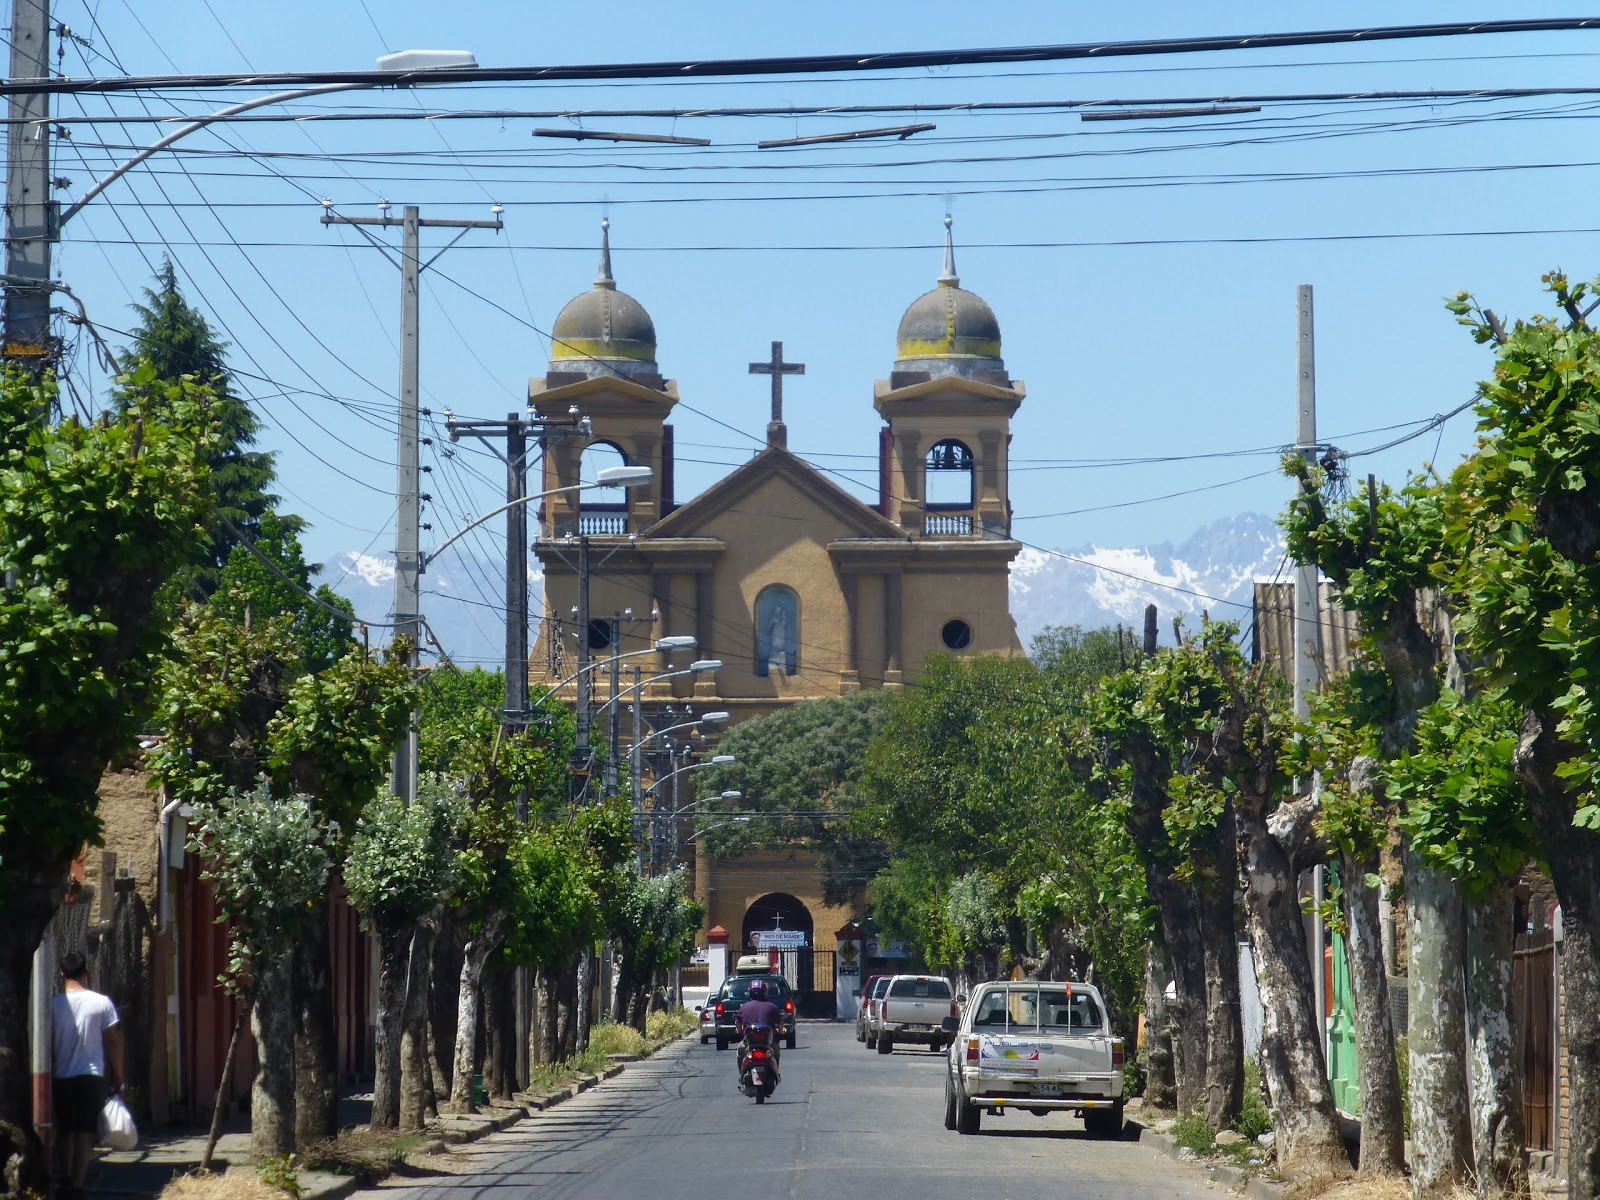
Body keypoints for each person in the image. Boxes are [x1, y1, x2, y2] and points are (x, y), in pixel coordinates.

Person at [52, 952, 122, 1200]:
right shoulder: (101, 1002)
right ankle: (79, 1184)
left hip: (61, 1075)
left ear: (61, 973)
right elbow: (113, 1043)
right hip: (91, 1076)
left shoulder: (53, 1005)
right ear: (87, 972)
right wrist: (119, 1076)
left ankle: (66, 1177)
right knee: (85, 1130)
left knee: (64, 1129)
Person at [735, 978, 783, 1068]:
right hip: (769, 1043)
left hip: (748, 1043)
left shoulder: (743, 1007)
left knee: (740, 1052)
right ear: (765, 992)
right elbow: (780, 1025)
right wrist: (780, 1031)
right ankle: (776, 1070)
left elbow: (738, 1025)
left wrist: (739, 1031)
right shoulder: (772, 1007)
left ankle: (741, 1073)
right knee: (776, 1051)